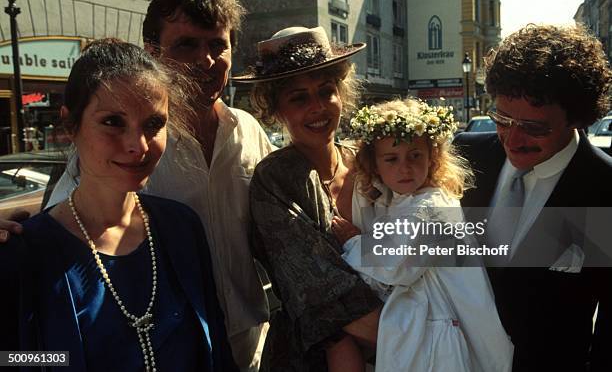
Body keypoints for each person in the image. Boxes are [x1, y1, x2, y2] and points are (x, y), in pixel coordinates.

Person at [0, 0, 273, 370]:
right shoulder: (39, 252)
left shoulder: (184, 218)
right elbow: (17, 356)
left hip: (245, 340)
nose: (137, 145)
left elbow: (274, 226)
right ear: (70, 127)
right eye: (113, 122)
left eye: (218, 45)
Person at [454, 24, 612, 371]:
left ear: (576, 117)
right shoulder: (462, 157)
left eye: (534, 127)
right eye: (502, 119)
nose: (513, 138)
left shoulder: (604, 188)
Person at [234, 26, 382, 371]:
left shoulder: (374, 162)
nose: (317, 107)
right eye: (298, 98)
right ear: (276, 110)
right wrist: (426, 334)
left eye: (326, 91)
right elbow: (326, 296)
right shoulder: (274, 181)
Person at [330, 99, 513, 372]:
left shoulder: (431, 205)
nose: (405, 168)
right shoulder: (402, 200)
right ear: (375, 165)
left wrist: (353, 241)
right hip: (433, 325)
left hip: (445, 327)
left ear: (432, 157)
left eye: (415, 156)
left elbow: (397, 264)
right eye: (392, 159)